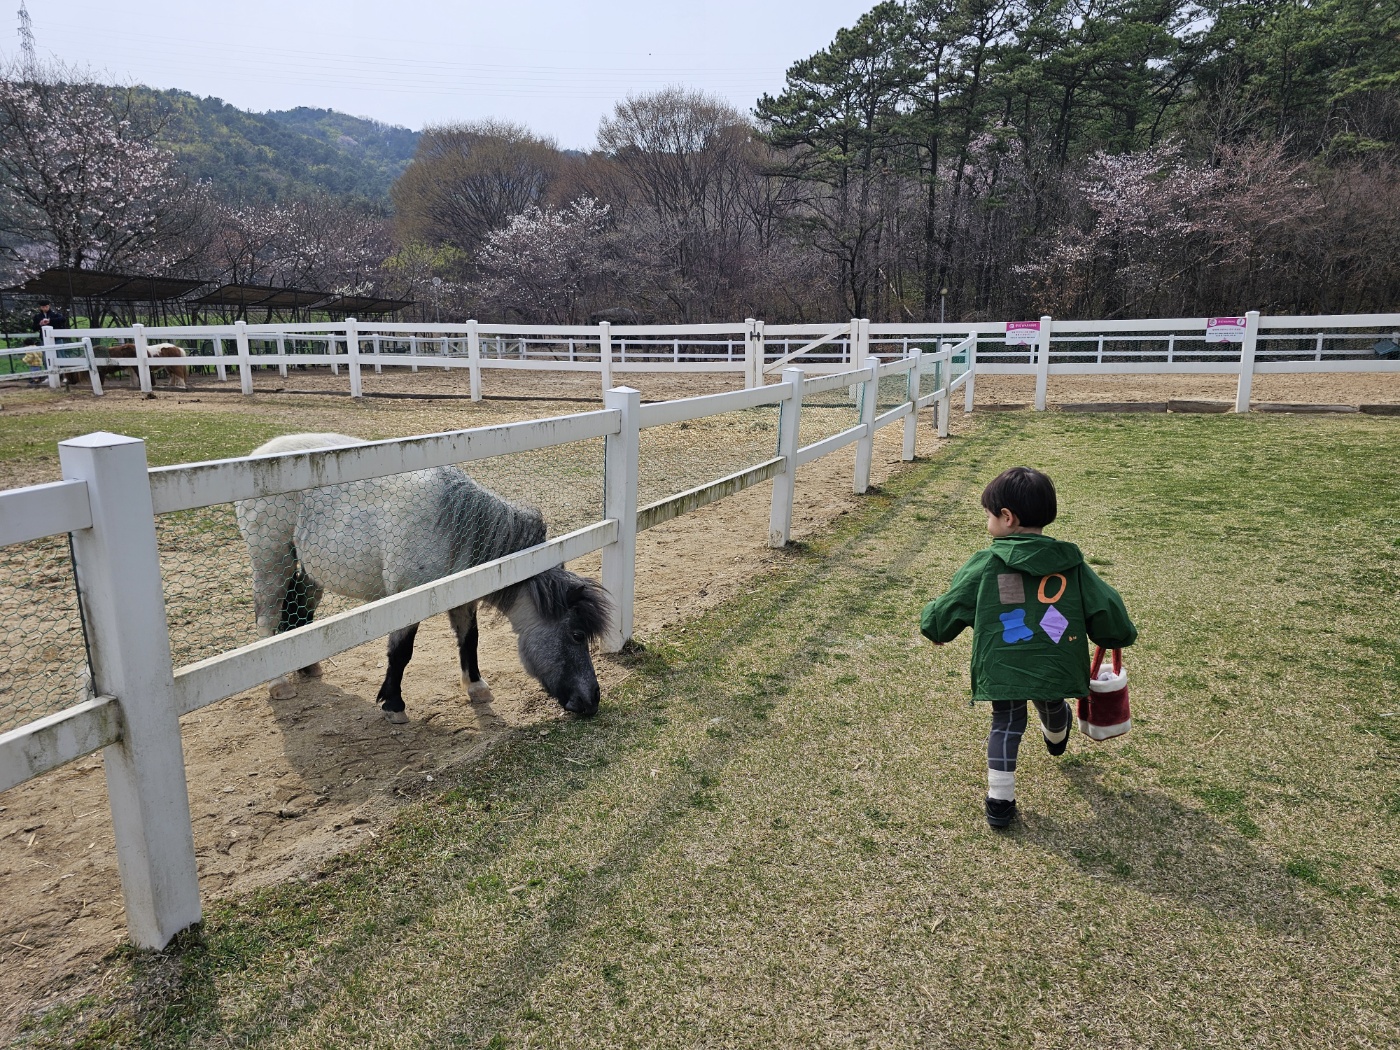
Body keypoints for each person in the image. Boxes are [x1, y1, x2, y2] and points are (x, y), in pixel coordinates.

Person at [920, 466, 1137, 828]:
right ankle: (1056, 735)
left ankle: (999, 803)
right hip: (1056, 659)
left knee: (1006, 722)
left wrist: (937, 626)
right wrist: (1116, 636)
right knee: (1051, 698)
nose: (987, 521)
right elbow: (1107, 608)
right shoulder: (1073, 564)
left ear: (1007, 518)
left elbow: (948, 608)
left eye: (988, 515)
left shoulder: (987, 562)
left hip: (1004, 661)